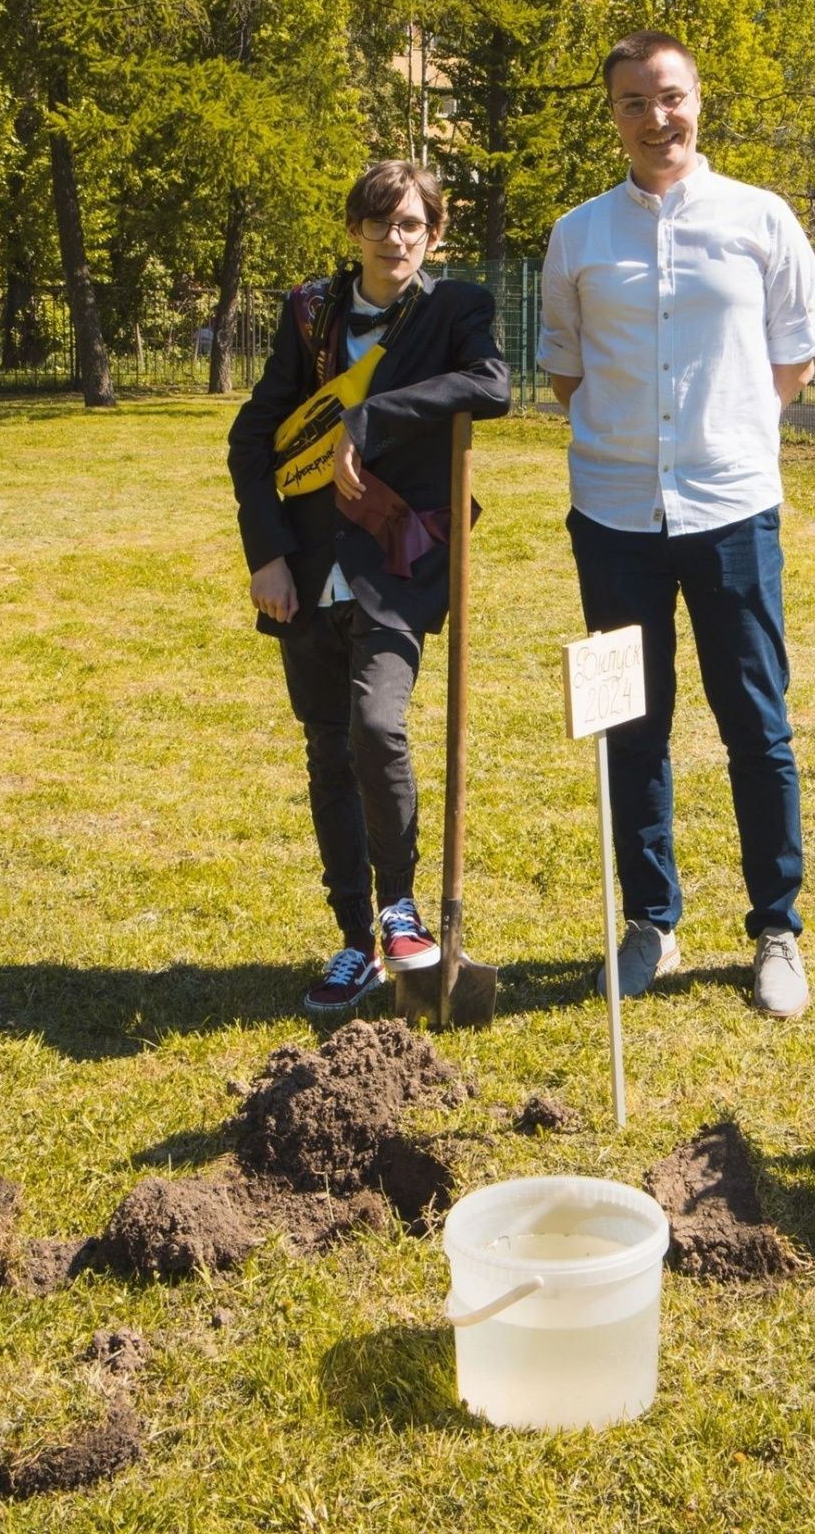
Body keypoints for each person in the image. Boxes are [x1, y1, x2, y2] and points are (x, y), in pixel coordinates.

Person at [537, 30, 815, 1018]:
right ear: (610, 114)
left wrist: (730, 438)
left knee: (756, 719)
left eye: (670, 96)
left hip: (733, 509)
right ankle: (649, 920)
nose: (655, 118)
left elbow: (792, 356)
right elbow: (566, 371)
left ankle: (775, 927)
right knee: (630, 721)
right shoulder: (577, 236)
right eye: (632, 101)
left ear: (699, 100)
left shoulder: (762, 219)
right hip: (612, 515)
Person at [227, 161, 510, 1021]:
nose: (395, 238)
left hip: (398, 564)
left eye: (411, 225)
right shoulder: (308, 313)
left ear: (434, 234)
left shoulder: (455, 309)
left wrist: (368, 416)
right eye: (380, 222)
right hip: (307, 569)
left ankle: (401, 912)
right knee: (327, 753)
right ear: (355, 229)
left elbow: (490, 387)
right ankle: (354, 940)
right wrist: (267, 553)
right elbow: (252, 440)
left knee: (377, 726)